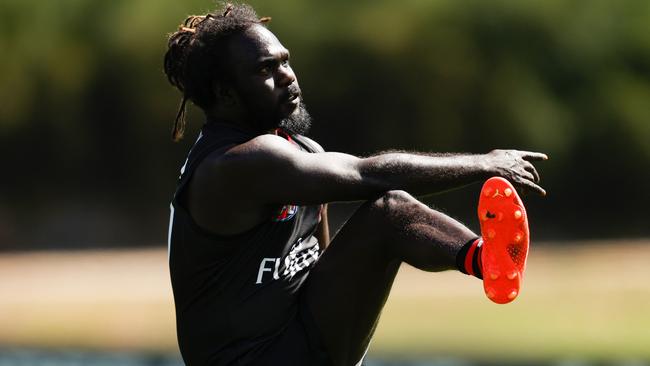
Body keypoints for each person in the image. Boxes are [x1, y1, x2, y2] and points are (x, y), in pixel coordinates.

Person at [164, 4, 547, 366]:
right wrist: (484, 163)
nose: (287, 76)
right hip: (254, 358)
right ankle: (485, 260)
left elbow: (321, 264)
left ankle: (490, 261)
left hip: (303, 343)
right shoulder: (234, 164)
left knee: (390, 213)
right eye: (266, 69)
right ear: (224, 93)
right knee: (390, 210)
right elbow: (368, 175)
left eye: (286, 61)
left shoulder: (298, 152)